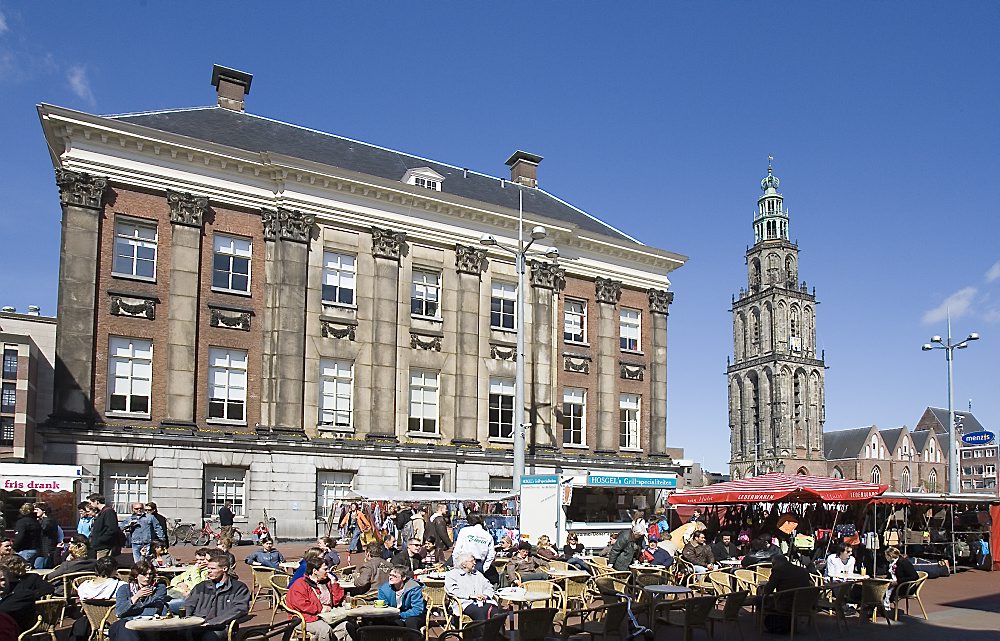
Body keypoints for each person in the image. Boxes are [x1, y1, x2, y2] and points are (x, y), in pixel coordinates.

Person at [184, 555, 251, 641]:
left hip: (221, 626)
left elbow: (240, 609)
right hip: (197, 624)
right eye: (208, 568)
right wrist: (188, 619)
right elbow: (189, 604)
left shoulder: (238, 588)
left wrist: (212, 622)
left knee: (209, 638)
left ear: (224, 569)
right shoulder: (201, 586)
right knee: (176, 634)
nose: (209, 571)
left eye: (213, 569)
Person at [286, 556, 345, 641]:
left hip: (328, 616)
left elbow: (336, 601)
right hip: (306, 618)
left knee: (347, 626)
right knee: (325, 629)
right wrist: (320, 609)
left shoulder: (327, 582)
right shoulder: (300, 584)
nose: (328, 571)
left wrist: (334, 584)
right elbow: (302, 604)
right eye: (325, 569)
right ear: (315, 571)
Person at [109, 561, 169, 641]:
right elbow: (119, 612)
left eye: (150, 574)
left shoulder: (159, 588)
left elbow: (157, 608)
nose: (148, 577)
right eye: (144, 574)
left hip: (150, 623)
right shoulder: (124, 589)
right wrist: (136, 597)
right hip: (129, 622)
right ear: (136, 575)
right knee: (121, 627)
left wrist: (132, 608)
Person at [0, 554, 55, 632]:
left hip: (21, 619)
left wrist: (31, 596)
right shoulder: (8, 583)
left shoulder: (31, 579)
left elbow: (49, 588)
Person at [759, 554, 812, 632]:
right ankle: (787, 623)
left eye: (773, 564)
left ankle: (768, 625)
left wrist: (763, 591)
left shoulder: (778, 570)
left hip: (785, 604)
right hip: (805, 604)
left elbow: (768, 590)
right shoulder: (802, 570)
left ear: (776, 563)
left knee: (758, 600)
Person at [445, 553, 498, 622]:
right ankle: (481, 629)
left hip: (482, 601)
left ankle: (495, 629)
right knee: (479, 612)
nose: (475, 563)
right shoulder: (452, 574)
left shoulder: (477, 574)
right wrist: (470, 596)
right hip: (464, 602)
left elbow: (488, 586)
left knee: (495, 611)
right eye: (472, 561)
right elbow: (452, 590)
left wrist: (485, 595)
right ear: (464, 564)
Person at [375, 566, 426, 630]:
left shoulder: (413, 588)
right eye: (390, 575)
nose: (390, 577)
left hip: (413, 615)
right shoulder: (384, 589)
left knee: (410, 622)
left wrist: (400, 615)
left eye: (394, 576)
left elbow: (417, 609)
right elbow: (384, 608)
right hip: (393, 615)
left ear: (403, 578)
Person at [167, 547, 212, 613]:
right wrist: (179, 583)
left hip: (187, 596)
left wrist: (196, 570)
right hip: (176, 591)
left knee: (165, 603)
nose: (198, 562)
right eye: (197, 559)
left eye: (202, 560)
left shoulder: (207, 572)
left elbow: (198, 586)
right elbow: (175, 579)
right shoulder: (192, 568)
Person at [451, 513, 496, 578]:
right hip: (479, 564)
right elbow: (491, 555)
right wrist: (484, 568)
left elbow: (457, 550)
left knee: (463, 583)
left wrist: (456, 564)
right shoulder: (487, 535)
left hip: (464, 563)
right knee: (477, 583)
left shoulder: (464, 531)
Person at [88, 494, 122, 559]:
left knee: (102, 564)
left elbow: (112, 529)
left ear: (96, 501)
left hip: (104, 546)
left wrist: (100, 540)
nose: (90, 505)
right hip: (99, 546)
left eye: (90, 503)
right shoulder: (102, 512)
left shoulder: (108, 512)